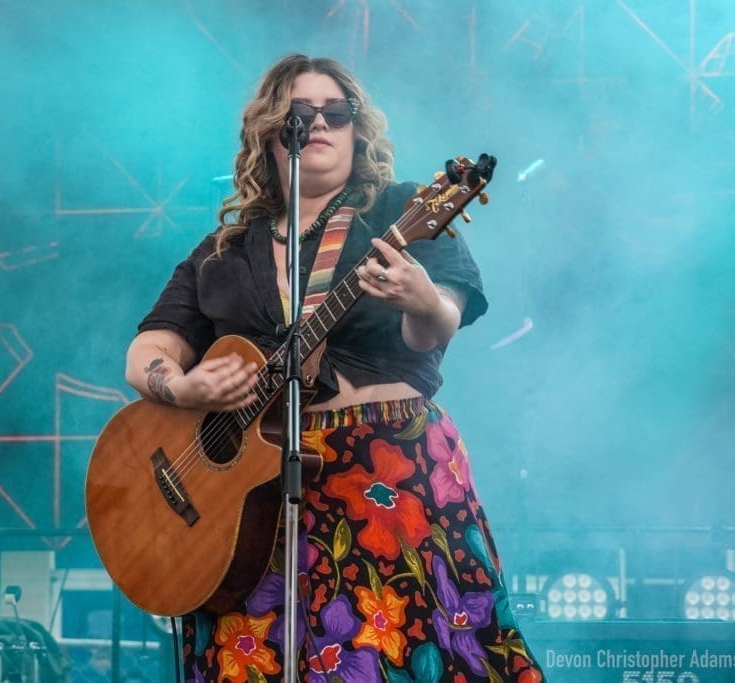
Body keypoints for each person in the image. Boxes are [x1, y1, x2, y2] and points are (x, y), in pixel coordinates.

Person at [124, 54, 544, 682]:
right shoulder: (222, 252)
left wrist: (419, 296)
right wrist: (182, 387)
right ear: (270, 132)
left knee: (394, 651)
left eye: (336, 113)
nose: (318, 123)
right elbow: (146, 353)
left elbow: (439, 324)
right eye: (300, 113)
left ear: (357, 130)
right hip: (252, 501)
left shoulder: (405, 211)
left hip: (387, 468)